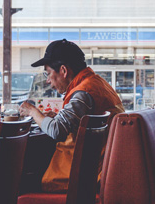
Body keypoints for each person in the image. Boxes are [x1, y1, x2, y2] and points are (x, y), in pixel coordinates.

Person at [20, 39, 124, 192]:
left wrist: (33, 112)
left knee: (15, 179)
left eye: (48, 73)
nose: (48, 80)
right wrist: (54, 117)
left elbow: (57, 131)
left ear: (63, 70)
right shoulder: (97, 84)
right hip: (92, 170)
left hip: (76, 177)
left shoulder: (83, 93)